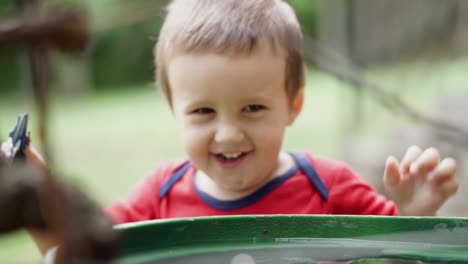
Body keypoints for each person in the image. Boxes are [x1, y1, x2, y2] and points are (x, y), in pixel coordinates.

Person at [1, 0, 459, 256]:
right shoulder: (159, 195)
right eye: (203, 112)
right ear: (172, 107)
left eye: (253, 108)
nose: (227, 134)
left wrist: (412, 211)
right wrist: (40, 199)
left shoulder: (330, 186)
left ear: (293, 104)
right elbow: (80, 253)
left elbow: (396, 251)